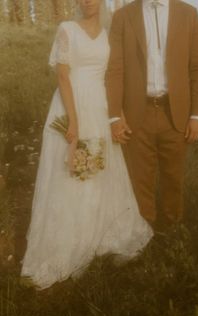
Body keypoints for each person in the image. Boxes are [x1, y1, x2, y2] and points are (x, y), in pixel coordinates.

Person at [20, 0, 153, 290]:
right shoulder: (67, 29)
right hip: (72, 107)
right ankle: (71, 242)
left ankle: (98, 233)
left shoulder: (108, 33)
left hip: (100, 108)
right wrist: (74, 121)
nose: (89, 1)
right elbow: (63, 76)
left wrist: (119, 115)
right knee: (73, 172)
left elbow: (110, 77)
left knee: (97, 171)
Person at [106, 0, 198, 229]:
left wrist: (197, 115)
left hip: (175, 112)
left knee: (174, 177)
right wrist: (114, 115)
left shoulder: (189, 14)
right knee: (140, 179)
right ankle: (144, 231)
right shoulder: (123, 15)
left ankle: (172, 228)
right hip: (136, 113)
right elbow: (115, 68)